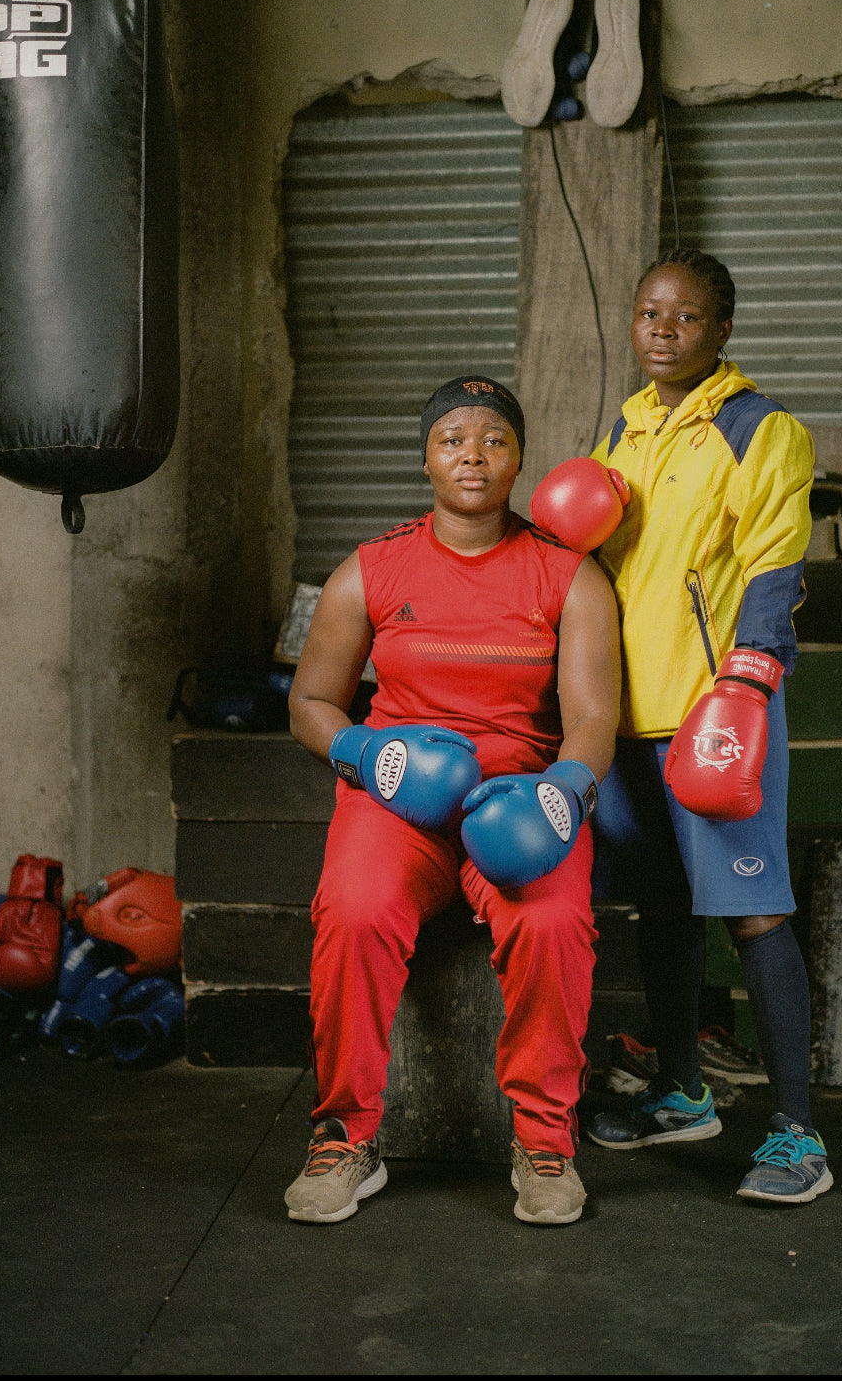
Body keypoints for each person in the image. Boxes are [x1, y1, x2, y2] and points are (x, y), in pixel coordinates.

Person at [285, 374, 620, 1226]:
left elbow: (592, 719)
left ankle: (546, 1146)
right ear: (425, 456)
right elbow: (311, 703)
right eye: (452, 439)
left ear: (518, 460)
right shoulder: (370, 570)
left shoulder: (569, 576)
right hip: (398, 798)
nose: (473, 454)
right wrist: (364, 749)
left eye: (494, 439)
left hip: (519, 795)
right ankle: (343, 1139)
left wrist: (564, 794)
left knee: (551, 922)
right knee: (353, 911)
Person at [540, 247, 828, 1203]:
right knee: (661, 910)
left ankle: (797, 1137)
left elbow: (775, 565)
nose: (664, 330)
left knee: (754, 910)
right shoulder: (623, 432)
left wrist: (749, 681)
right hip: (622, 719)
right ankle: (682, 1090)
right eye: (649, 313)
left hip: (713, 714)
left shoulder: (760, 429)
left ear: (723, 329)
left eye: (688, 316)